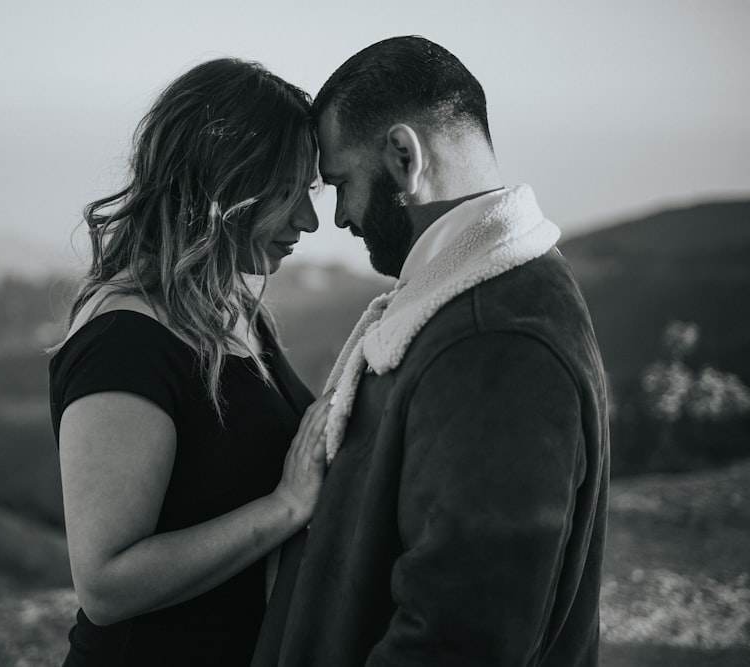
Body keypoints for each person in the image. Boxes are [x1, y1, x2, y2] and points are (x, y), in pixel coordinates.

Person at [253, 36, 610, 666]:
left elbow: (464, 635)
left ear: (402, 154)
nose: (337, 218)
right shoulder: (469, 305)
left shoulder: (495, 340)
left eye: (341, 183)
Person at [48, 58, 332, 667]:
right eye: (289, 191)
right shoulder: (123, 340)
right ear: (226, 184)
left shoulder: (232, 311)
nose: (309, 221)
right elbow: (105, 585)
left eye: (310, 190)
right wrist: (285, 507)